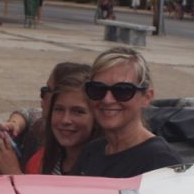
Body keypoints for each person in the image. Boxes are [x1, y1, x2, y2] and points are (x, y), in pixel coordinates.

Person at [74, 46, 181, 178]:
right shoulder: (92, 151)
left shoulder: (160, 161)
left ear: (146, 97)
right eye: (97, 89)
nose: (107, 100)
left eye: (123, 90)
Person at [0, 65, 95, 175]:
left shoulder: (97, 168)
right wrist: (14, 124)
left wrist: (13, 173)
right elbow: (31, 114)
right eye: (59, 109)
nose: (65, 120)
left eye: (78, 111)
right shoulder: (53, 157)